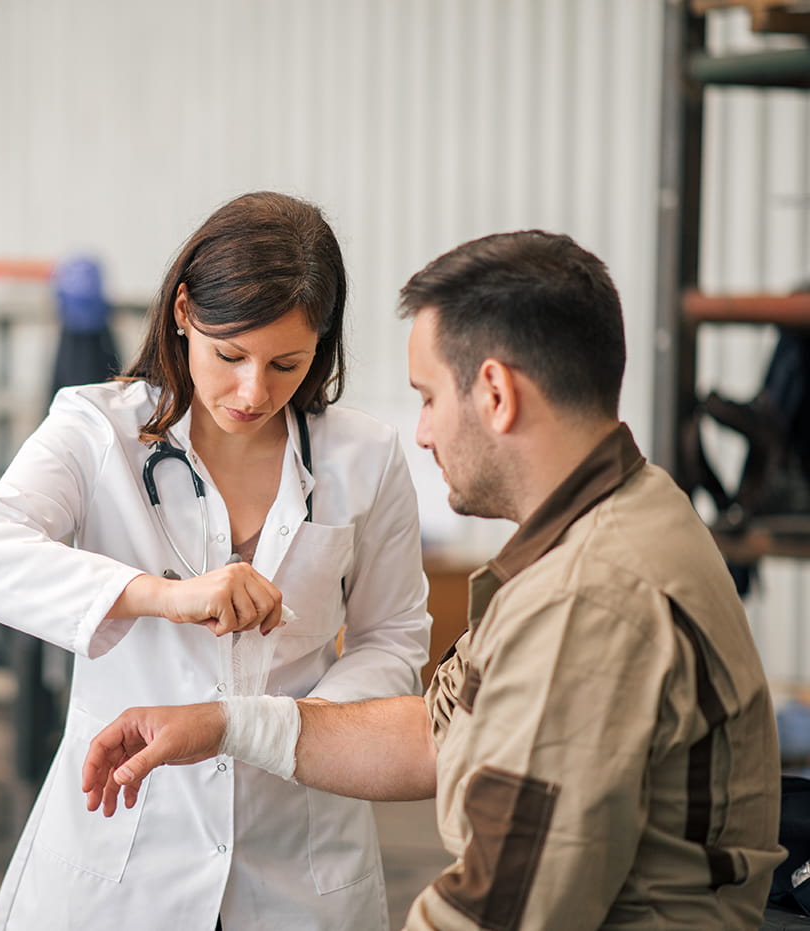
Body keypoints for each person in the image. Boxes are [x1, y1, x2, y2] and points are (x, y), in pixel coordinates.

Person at [82, 231, 784, 929]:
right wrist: (225, 723)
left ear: (496, 394)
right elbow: (438, 735)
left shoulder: (587, 597)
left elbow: (501, 909)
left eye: (426, 398)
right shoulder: (626, 510)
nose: (419, 434)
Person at [0, 191, 432, 929]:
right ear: (181, 312)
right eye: (228, 354)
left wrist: (285, 727)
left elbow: (392, 638)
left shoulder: (363, 455)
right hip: (124, 858)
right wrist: (156, 595)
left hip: (299, 852)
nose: (251, 391)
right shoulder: (96, 427)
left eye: (285, 364)